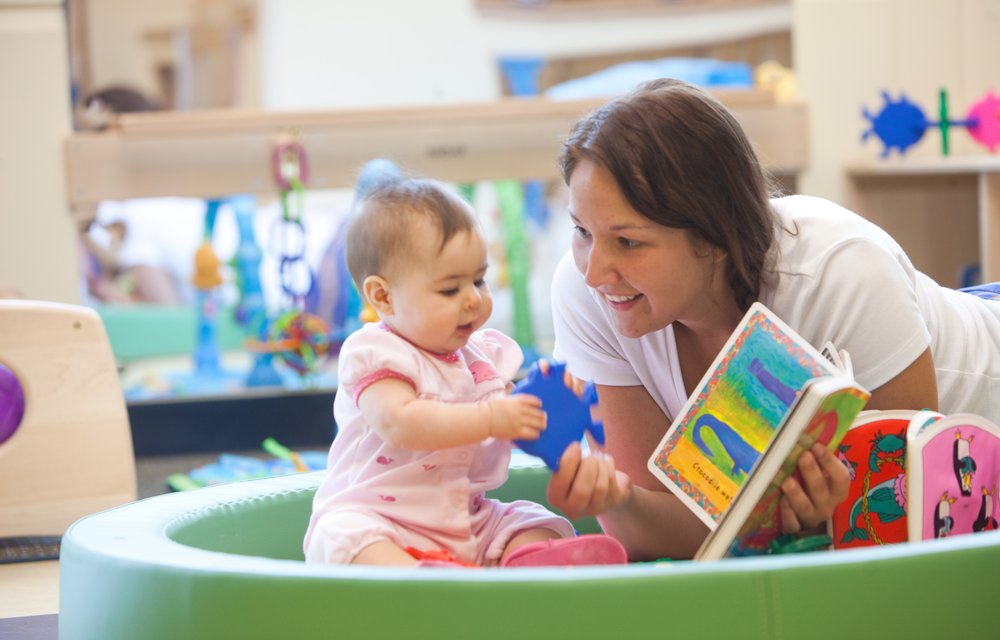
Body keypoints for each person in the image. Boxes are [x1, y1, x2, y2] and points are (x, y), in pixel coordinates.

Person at [544, 78, 1000, 562]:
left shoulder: (841, 272)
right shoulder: (585, 293)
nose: (594, 271)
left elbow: (898, 522)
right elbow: (671, 532)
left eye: (629, 242)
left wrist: (801, 525)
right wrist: (618, 500)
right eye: (580, 231)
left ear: (715, 237)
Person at [303, 177, 626, 567]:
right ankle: (423, 582)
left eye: (478, 280)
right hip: (382, 519)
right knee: (342, 538)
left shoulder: (483, 357)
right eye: (450, 290)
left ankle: (525, 564)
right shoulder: (376, 352)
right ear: (383, 297)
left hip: (466, 518)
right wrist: (491, 417)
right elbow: (399, 422)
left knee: (533, 520)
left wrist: (543, 406)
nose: (473, 299)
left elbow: (509, 428)